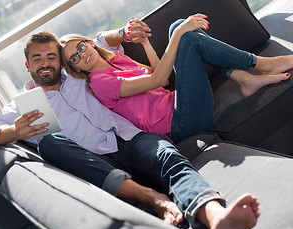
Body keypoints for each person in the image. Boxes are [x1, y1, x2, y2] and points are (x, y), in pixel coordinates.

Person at [0, 24, 260, 229]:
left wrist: (122, 32)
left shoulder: (76, 76)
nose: (46, 62)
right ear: (28, 65)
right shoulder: (20, 106)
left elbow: (95, 42)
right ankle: (152, 197)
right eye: (38, 58)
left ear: (60, 61)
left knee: (169, 158)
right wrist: (13, 131)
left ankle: (216, 216)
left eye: (51, 56)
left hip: (129, 138)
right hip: (95, 161)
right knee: (49, 143)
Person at [60, 14, 293, 143]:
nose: (82, 55)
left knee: (176, 26)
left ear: (88, 42)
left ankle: (245, 79)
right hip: (180, 124)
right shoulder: (100, 84)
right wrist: (181, 34)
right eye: (74, 58)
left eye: (80, 47)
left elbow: (155, 73)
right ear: (74, 68)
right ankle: (263, 65)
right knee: (184, 34)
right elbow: (159, 81)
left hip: (178, 104)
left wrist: (145, 43)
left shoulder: (115, 60)